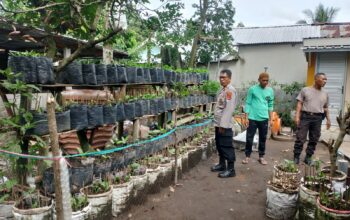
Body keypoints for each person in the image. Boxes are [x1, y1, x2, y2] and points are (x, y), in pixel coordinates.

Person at [293, 72, 331, 165]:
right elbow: (299, 103)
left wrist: (328, 120)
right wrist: (297, 116)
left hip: (318, 118)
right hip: (305, 116)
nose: (325, 81)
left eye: (326, 79)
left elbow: (325, 107)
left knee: (314, 139)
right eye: (323, 79)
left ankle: (308, 157)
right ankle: (296, 157)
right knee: (300, 137)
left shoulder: (325, 93)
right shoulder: (305, 90)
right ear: (316, 79)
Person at [242, 72, 274, 165]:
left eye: (267, 80)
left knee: (263, 138)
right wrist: (246, 117)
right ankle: (247, 156)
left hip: (264, 118)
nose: (265, 82)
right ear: (259, 80)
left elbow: (270, 105)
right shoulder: (252, 89)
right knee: (249, 138)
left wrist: (271, 119)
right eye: (263, 80)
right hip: (252, 117)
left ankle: (261, 156)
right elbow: (248, 103)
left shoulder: (270, 91)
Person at [211, 69, 238, 178]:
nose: (222, 79)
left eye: (224, 77)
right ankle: (222, 164)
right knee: (219, 144)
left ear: (229, 79)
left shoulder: (230, 91)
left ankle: (231, 169)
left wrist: (223, 125)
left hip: (224, 125)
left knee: (226, 146)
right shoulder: (223, 90)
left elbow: (228, 110)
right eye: (220, 77)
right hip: (218, 124)